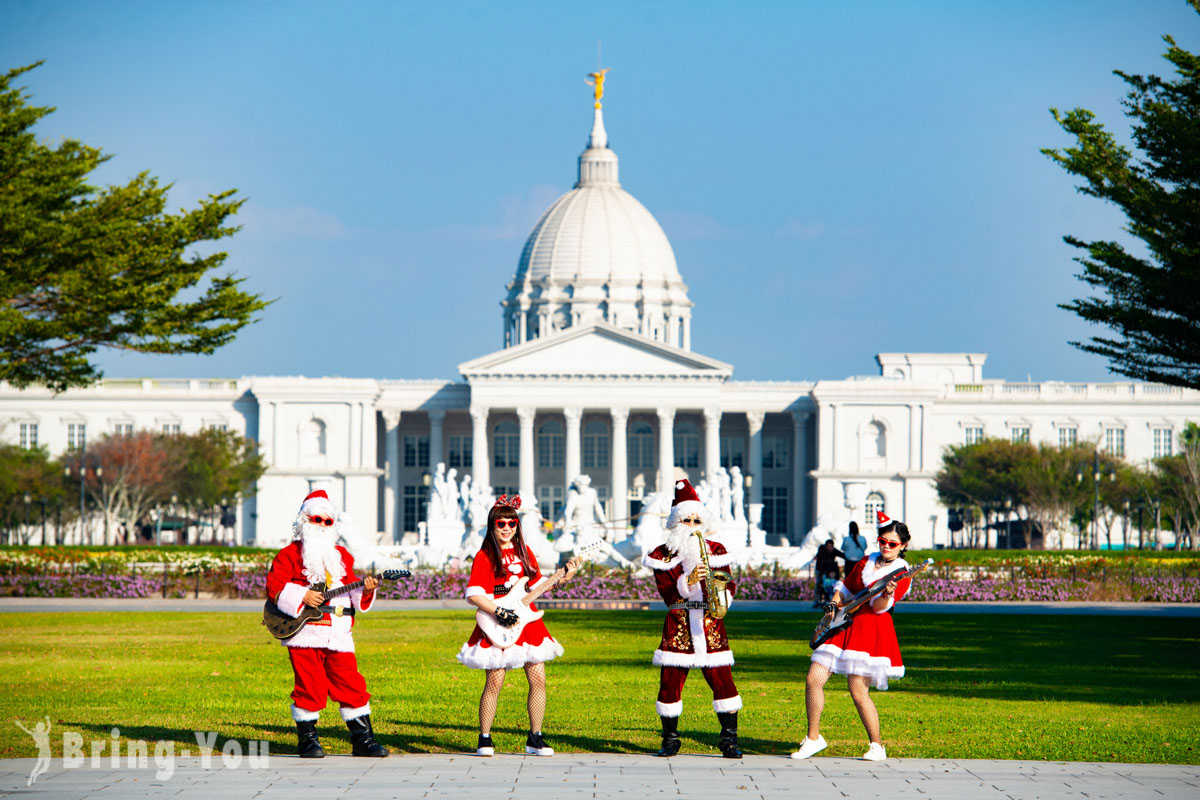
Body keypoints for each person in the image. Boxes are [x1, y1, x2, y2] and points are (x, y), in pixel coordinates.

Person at [265, 489, 388, 758]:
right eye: (316, 519)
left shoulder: (342, 555)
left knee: (351, 683)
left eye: (327, 521)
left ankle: (363, 740)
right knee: (309, 685)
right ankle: (308, 741)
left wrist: (366, 590)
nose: (321, 525)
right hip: (304, 631)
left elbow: (350, 588)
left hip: (339, 631)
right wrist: (302, 595)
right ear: (303, 520)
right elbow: (274, 585)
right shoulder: (288, 554)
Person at [458, 494, 581, 757]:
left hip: (527, 621)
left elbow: (537, 587)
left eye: (511, 524)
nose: (506, 528)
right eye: (500, 523)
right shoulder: (485, 555)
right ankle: (485, 737)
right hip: (497, 620)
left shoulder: (526, 553)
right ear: (492, 525)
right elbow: (474, 595)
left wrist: (563, 577)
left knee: (539, 678)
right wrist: (499, 611)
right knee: (495, 681)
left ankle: (535, 737)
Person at [791, 511, 913, 762]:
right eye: (883, 542)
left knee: (858, 691)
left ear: (903, 546)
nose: (887, 547)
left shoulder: (902, 573)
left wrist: (886, 593)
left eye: (893, 544)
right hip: (843, 624)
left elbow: (880, 608)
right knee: (814, 678)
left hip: (870, 629)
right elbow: (845, 588)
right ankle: (813, 738)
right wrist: (833, 607)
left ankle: (877, 745)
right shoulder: (866, 561)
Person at [643, 479, 743, 759]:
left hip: (711, 621)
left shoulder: (717, 549)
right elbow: (667, 592)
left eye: (697, 520)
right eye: (686, 520)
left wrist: (720, 596)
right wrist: (687, 581)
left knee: (724, 682)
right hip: (680, 623)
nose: (692, 525)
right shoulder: (663, 554)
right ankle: (670, 740)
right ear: (676, 522)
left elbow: (729, 584)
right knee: (670, 682)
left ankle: (729, 741)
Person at [812, 538, 846, 606]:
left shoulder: (834, 551)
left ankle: (829, 599)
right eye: (829, 546)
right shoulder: (822, 550)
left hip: (829, 571)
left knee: (830, 585)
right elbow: (820, 560)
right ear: (826, 546)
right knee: (819, 583)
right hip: (820, 569)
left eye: (831, 546)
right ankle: (816, 600)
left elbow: (842, 555)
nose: (830, 548)